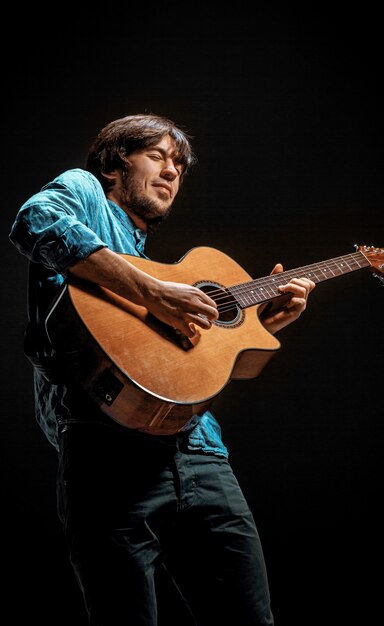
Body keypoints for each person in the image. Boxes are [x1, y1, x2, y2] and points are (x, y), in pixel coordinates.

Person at [9, 113, 315, 625]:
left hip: (199, 454)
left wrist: (264, 328)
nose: (173, 171)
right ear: (114, 165)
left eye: (180, 165)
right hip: (104, 454)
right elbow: (36, 221)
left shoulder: (156, 266)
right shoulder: (86, 191)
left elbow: (186, 367)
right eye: (158, 156)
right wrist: (152, 292)